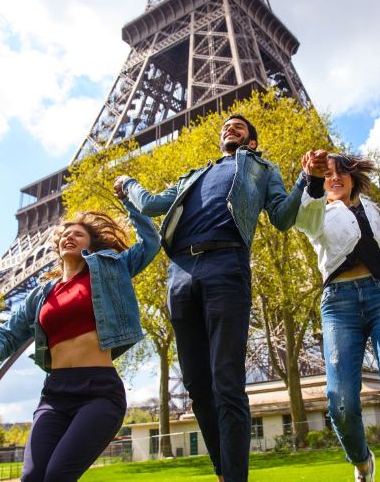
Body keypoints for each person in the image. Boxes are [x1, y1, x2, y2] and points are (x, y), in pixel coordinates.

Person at [115, 114, 325, 482]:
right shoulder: (192, 175)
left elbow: (281, 217)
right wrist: (128, 183)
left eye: (240, 125)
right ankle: (224, 473)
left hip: (225, 262)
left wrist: (309, 179)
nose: (231, 126)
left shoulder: (261, 169)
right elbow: (150, 204)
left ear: (252, 142)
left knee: (226, 380)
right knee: (197, 386)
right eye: (227, 125)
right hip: (180, 270)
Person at [0, 201, 159, 482]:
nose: (70, 236)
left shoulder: (109, 271)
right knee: (32, 477)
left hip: (98, 391)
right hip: (55, 394)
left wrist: (129, 198)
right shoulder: (42, 294)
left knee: (57, 476)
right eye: (65, 233)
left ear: (91, 244)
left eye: (78, 234)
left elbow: (150, 243)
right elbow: (8, 331)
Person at [295, 152, 380, 482]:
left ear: (353, 177)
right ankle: (362, 463)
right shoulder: (318, 210)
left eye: (341, 172)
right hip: (339, 304)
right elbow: (301, 219)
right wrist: (311, 180)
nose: (334, 178)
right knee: (340, 400)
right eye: (326, 175)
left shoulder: (373, 209)